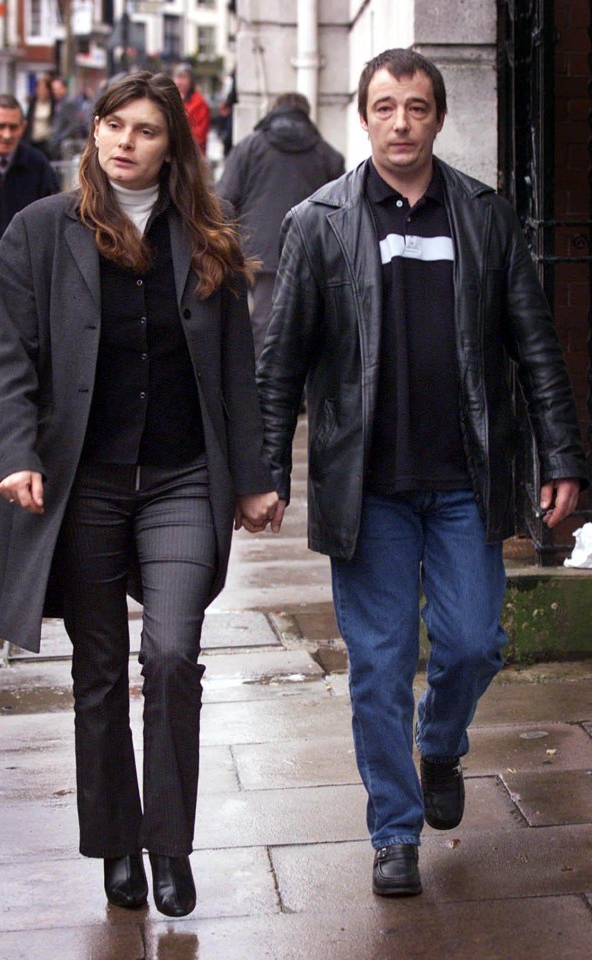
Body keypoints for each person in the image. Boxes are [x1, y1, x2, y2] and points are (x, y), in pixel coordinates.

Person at [257, 49, 588, 898]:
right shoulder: (318, 221)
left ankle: (440, 744)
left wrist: (562, 458)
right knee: (378, 662)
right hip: (366, 487)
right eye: (384, 107)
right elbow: (280, 362)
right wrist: (265, 470)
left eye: (416, 107)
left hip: (462, 481)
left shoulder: (483, 214)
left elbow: (535, 348)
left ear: (437, 118)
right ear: (362, 119)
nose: (400, 122)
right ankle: (394, 831)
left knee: (475, 643)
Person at [0, 71, 278, 917]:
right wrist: (19, 455)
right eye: (113, 125)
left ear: (170, 144)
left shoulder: (206, 237)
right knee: (100, 670)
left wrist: (254, 477)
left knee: (174, 655)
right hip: (86, 486)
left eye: (145, 129)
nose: (124, 141)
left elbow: (236, 375)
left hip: (182, 478)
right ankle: (117, 847)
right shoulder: (39, 233)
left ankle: (170, 845)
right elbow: (8, 361)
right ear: (94, 134)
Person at [0, 93, 59, 458]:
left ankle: (26, 428)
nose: (5, 134)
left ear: (22, 127)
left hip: (29, 283)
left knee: (31, 357)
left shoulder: (37, 167)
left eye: (12, 127)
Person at [217, 92, 344, 361]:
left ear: (273, 111)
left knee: (266, 324)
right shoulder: (327, 155)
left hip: (260, 252)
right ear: (306, 115)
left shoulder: (249, 147)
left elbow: (224, 201)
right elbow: (341, 210)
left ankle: (263, 397)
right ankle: (298, 396)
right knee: (308, 324)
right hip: (312, 252)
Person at [172, 63, 210, 154]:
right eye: (177, 78)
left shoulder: (200, 103)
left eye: (183, 78)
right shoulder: (171, 100)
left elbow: (200, 135)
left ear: (191, 81)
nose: (179, 82)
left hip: (193, 154)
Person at [47, 76, 84, 160]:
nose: (55, 92)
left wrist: (61, 137)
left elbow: (74, 124)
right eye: (54, 89)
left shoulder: (68, 103)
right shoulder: (57, 103)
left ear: (64, 88)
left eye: (57, 89)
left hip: (64, 144)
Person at [25, 73, 55, 157]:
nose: (41, 91)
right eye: (39, 88)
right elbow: (28, 120)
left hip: (46, 141)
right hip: (32, 140)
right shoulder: (33, 103)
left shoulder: (53, 104)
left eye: (44, 89)